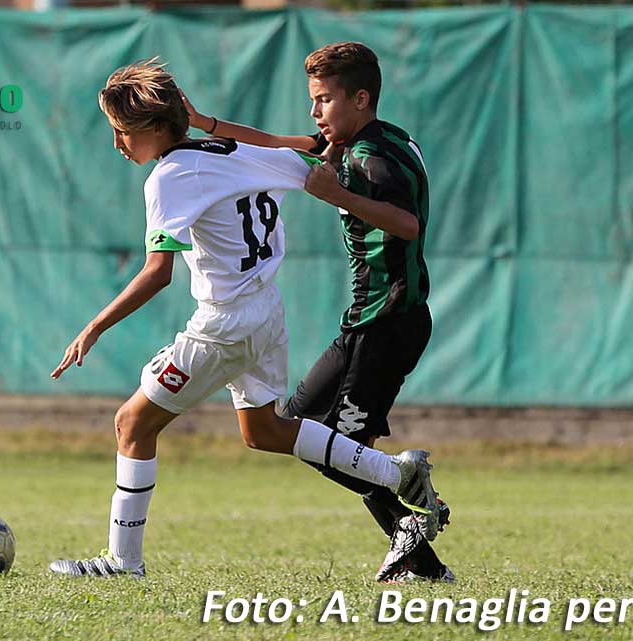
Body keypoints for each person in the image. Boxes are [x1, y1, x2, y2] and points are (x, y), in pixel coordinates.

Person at [47, 58, 443, 578]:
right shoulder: (239, 153)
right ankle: (397, 472)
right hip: (266, 314)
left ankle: (123, 562)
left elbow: (157, 273)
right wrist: (212, 125)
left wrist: (93, 326)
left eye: (122, 133)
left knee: (132, 422)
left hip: (223, 326)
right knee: (265, 432)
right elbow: (301, 152)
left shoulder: (167, 178)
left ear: (151, 128)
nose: (118, 145)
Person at [181, 42, 452, 583]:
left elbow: (407, 224)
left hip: (389, 324)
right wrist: (203, 123)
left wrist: (339, 196)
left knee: (340, 448)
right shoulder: (369, 139)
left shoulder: (367, 158)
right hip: (364, 320)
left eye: (324, 100)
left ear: (360, 98)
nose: (315, 112)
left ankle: (409, 508)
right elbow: (275, 145)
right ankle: (420, 558)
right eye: (314, 100)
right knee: (301, 431)